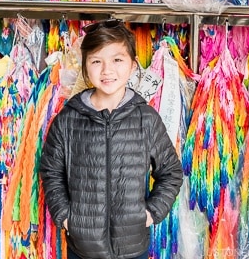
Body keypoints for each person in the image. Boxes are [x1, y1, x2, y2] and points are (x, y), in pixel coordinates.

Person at [39, 19, 183, 259]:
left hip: (132, 248)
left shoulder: (146, 118)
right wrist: (65, 216)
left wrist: (149, 213)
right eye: (96, 61)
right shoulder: (68, 119)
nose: (107, 70)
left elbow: (171, 173)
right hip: (81, 248)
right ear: (86, 68)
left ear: (133, 66)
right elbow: (51, 171)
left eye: (117, 60)